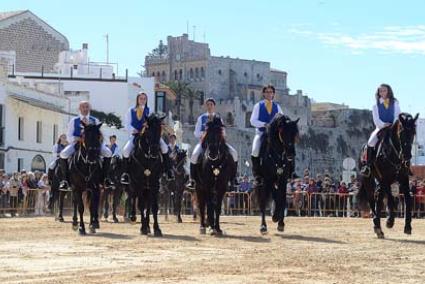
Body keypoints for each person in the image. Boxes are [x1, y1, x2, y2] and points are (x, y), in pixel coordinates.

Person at [120, 92, 174, 184]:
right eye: (141, 98)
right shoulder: (131, 110)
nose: (142, 100)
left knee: (164, 147)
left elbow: (154, 122)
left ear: (146, 100)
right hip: (136, 134)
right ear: (137, 99)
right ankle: (125, 174)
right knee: (125, 150)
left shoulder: (150, 110)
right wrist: (135, 130)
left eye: (144, 98)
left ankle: (168, 171)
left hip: (150, 135)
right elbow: (127, 124)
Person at [58, 101, 113, 190]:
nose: (85, 109)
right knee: (63, 154)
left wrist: (99, 141)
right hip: (77, 143)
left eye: (87, 107)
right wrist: (78, 139)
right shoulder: (74, 120)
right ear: (79, 109)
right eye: (83, 107)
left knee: (108, 153)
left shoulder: (95, 120)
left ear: (89, 108)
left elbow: (101, 134)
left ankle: (106, 178)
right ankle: (65, 180)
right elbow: (69, 136)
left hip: (94, 144)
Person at [186, 97, 239, 189]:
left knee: (234, 153)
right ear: (205, 106)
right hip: (204, 143)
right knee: (194, 156)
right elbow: (196, 133)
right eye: (208, 104)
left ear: (214, 106)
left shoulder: (219, 118)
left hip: (217, 142)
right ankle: (192, 180)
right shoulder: (201, 118)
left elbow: (223, 132)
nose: (209, 106)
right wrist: (204, 134)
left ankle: (234, 178)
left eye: (211, 104)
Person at [361, 84, 401, 177]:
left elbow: (397, 115)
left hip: (393, 127)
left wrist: (393, 123)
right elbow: (376, 120)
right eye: (381, 91)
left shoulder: (395, 103)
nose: (382, 92)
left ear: (388, 91)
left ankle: (405, 164)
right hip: (381, 127)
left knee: (404, 140)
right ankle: (367, 166)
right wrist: (383, 124)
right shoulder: (375, 106)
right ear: (378, 93)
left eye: (384, 90)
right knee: (370, 143)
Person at [249, 85, 285, 186]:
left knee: (286, 147)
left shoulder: (277, 107)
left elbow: (282, 119)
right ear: (264, 93)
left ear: (273, 94)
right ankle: (257, 175)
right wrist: (264, 124)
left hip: (274, 135)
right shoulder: (258, 106)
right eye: (267, 92)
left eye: (271, 92)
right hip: (261, 133)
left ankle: (287, 171)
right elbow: (252, 121)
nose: (269, 94)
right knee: (255, 150)